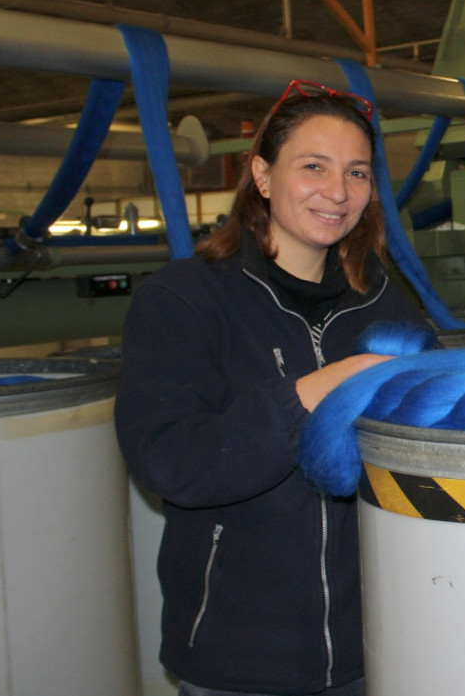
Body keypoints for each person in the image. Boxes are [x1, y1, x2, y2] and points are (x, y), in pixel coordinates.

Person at [116, 79, 429, 696]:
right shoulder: (184, 300)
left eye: (358, 173)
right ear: (261, 175)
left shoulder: (387, 306)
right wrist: (313, 394)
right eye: (314, 166)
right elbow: (175, 464)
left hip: (378, 645)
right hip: (240, 657)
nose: (338, 193)